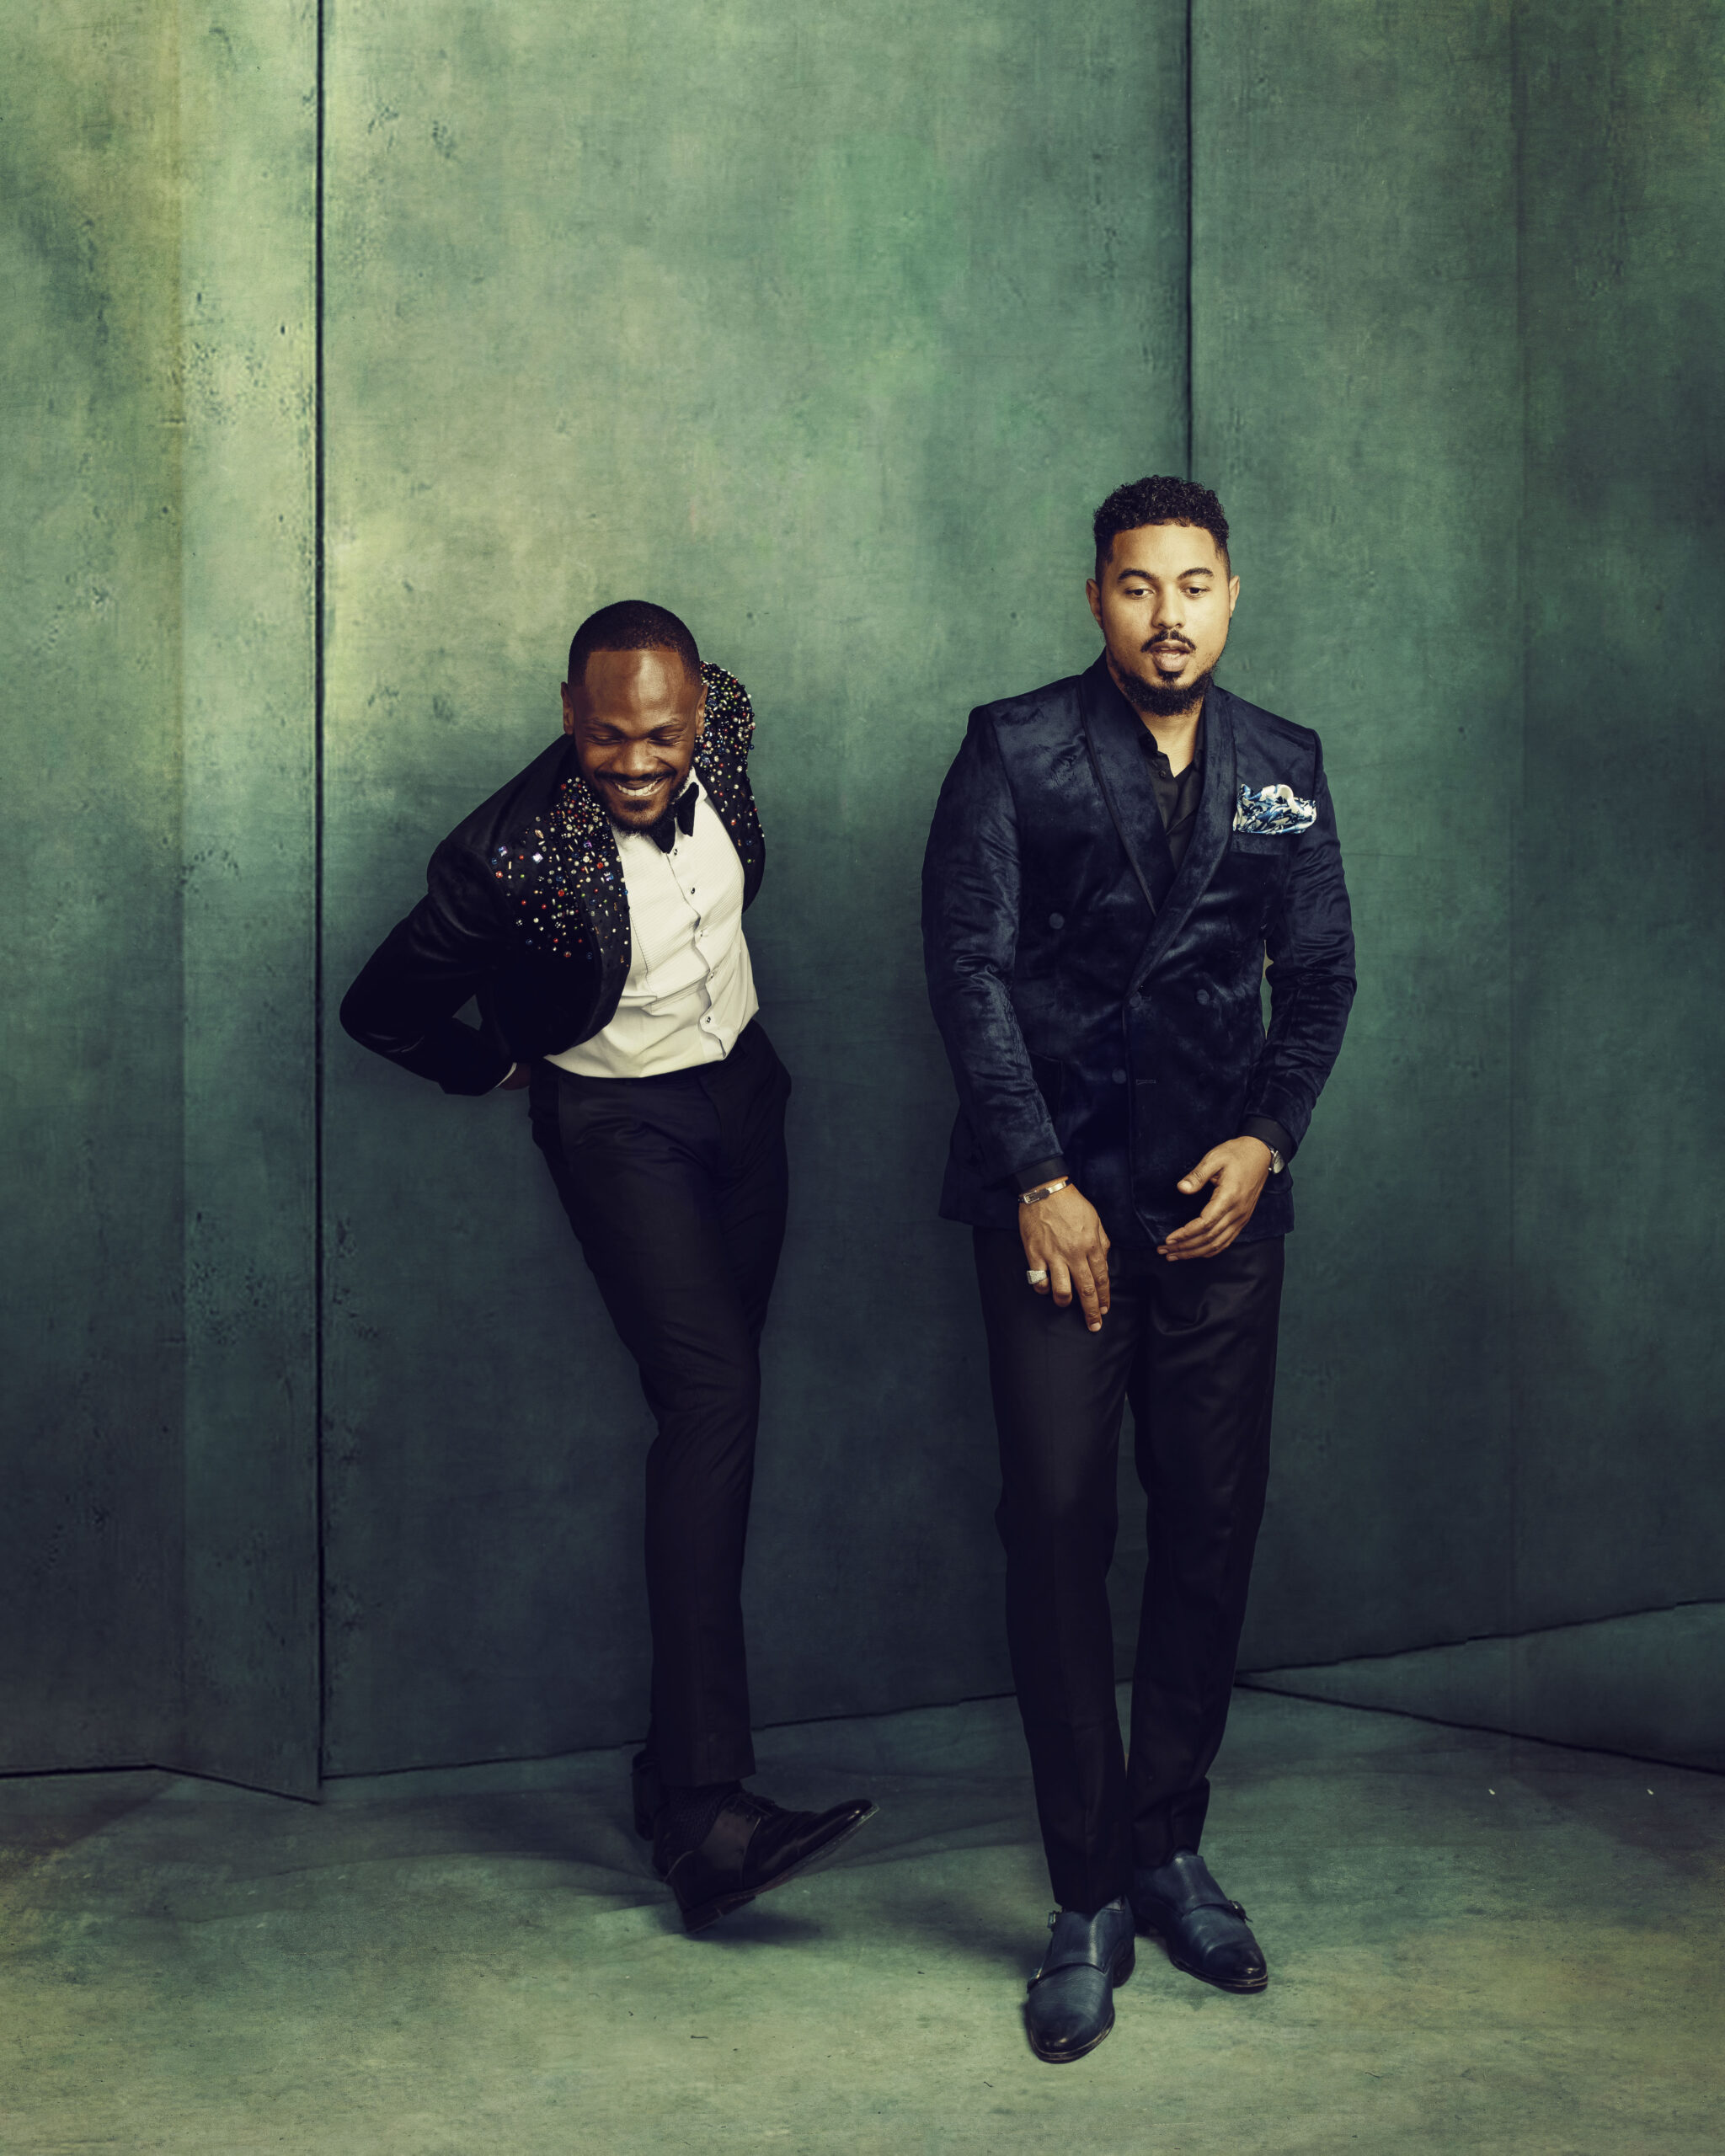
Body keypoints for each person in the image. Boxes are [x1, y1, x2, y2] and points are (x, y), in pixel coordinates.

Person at [341, 600, 874, 1934]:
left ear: (701, 714)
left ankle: (668, 1773)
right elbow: (381, 1006)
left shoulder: (726, 723)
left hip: (744, 1098)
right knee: (714, 1405)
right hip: (620, 1128)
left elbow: (708, 763)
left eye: (663, 736)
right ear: (568, 714)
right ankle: (706, 1816)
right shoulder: (503, 861)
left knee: (715, 1416)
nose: (638, 764)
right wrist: (492, 1066)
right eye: (607, 737)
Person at [921, 478, 1354, 2060]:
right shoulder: (1014, 747)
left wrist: (1270, 1138)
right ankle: (1087, 1890)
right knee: (1055, 1529)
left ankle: (1170, 1849)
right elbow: (967, 971)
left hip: (1217, 1214)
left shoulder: (1284, 765)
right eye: (1135, 586)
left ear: (1232, 594)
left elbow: (1321, 975)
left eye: (1193, 585)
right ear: (1095, 597)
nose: (1167, 617)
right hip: (1062, 1210)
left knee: (1210, 1524)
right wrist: (1039, 1180)